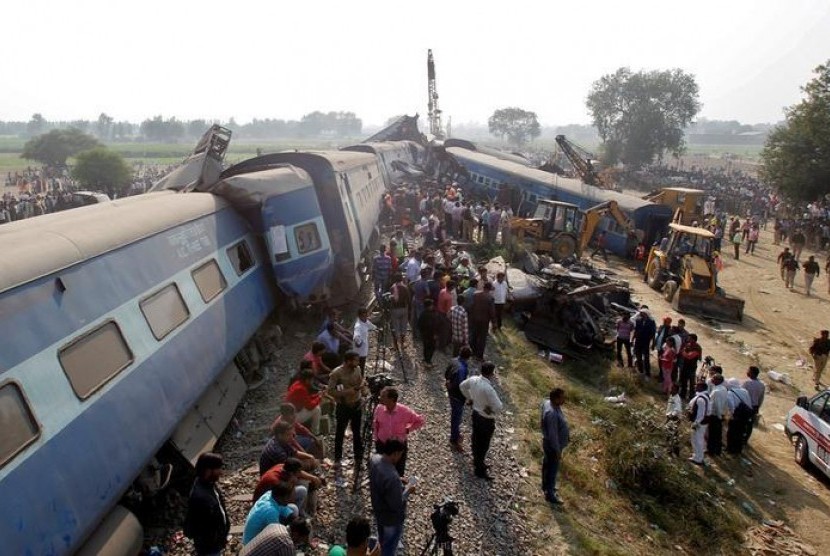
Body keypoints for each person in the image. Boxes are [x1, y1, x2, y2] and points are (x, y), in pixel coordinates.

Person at [327, 351, 369, 486]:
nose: (357, 363)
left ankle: (358, 459)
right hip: (343, 406)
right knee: (340, 433)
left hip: (356, 405)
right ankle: (338, 459)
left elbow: (360, 381)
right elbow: (330, 391)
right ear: (348, 361)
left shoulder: (357, 369)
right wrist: (347, 392)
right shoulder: (336, 373)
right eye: (355, 360)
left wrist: (364, 392)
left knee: (357, 433)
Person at [369, 440, 414, 556]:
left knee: (381, 540)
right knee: (389, 547)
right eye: (400, 455)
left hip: (378, 511)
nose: (400, 458)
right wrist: (408, 490)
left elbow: (382, 482)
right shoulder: (392, 477)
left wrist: (399, 479)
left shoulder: (375, 459)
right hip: (391, 519)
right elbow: (397, 504)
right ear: (395, 453)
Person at [460, 362, 503, 480]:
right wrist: (491, 410)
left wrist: (470, 398)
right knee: (483, 445)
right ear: (491, 373)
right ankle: (479, 469)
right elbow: (499, 407)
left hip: (476, 414)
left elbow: (462, 386)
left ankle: (477, 462)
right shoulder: (488, 388)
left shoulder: (473, 379)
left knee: (475, 439)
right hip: (486, 419)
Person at [184, 452, 231, 556]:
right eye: (218, 469)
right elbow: (201, 529)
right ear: (208, 470)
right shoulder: (200, 497)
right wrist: (217, 539)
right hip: (210, 548)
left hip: (215, 544)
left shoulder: (207, 484)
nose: (221, 472)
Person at [373, 386, 425, 477]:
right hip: (382, 444)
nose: (379, 398)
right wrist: (376, 438)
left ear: (391, 399)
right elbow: (376, 424)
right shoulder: (379, 408)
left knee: (398, 471)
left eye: (383, 396)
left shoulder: (404, 411)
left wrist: (408, 429)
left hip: (398, 447)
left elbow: (420, 420)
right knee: (381, 470)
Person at [541, 388, 569, 505]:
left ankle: (545, 486)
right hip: (553, 446)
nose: (564, 399)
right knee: (553, 468)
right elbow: (553, 435)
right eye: (562, 397)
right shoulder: (552, 413)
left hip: (548, 442)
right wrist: (557, 450)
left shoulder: (547, 402)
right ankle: (550, 494)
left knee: (547, 465)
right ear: (556, 398)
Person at [445, 347, 472, 452]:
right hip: (458, 397)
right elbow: (461, 386)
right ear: (468, 357)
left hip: (451, 394)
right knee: (456, 418)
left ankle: (455, 434)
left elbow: (446, 373)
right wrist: (469, 397)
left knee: (455, 416)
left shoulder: (454, 360)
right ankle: (454, 440)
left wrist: (448, 383)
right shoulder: (462, 369)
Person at [285, 368, 323, 434]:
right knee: (317, 409)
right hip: (292, 418)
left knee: (315, 405)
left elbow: (306, 399)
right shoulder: (301, 389)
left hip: (292, 412)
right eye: (311, 380)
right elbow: (310, 406)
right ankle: (315, 432)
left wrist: (317, 395)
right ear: (307, 380)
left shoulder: (298, 383)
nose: (312, 381)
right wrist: (319, 397)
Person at [725, 379, 754, 455]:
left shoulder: (730, 393)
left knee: (732, 433)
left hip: (736, 416)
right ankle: (738, 449)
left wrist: (732, 415)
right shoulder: (745, 391)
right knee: (740, 432)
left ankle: (731, 449)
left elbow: (731, 405)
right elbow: (749, 403)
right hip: (745, 415)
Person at [468, 282, 496, 359]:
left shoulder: (475, 294)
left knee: (473, 335)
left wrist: (470, 317)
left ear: (483, 287)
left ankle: (473, 351)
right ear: (490, 289)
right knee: (482, 338)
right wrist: (494, 323)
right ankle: (479, 356)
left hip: (474, 319)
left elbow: (471, 306)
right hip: (484, 321)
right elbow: (492, 312)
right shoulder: (490, 298)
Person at [687, 382, 710, 465]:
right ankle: (696, 455)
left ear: (701, 387)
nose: (695, 386)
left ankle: (698, 458)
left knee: (698, 440)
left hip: (699, 423)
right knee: (696, 439)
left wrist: (696, 423)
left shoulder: (701, 399)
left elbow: (701, 413)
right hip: (700, 422)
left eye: (697, 386)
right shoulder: (703, 396)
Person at [742, 366, 765, 442]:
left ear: (752, 373)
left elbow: (741, 394)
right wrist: (757, 407)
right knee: (749, 424)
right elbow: (761, 398)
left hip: (745, 406)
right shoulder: (761, 385)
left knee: (742, 423)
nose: (747, 372)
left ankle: (740, 438)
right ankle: (745, 439)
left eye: (748, 371)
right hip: (754, 407)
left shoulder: (746, 383)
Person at [388, 274, 411, 350]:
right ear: (401, 279)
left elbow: (391, 299)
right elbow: (408, 299)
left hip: (394, 309)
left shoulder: (392, 288)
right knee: (403, 327)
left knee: (395, 327)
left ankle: (395, 345)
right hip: (404, 308)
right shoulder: (405, 287)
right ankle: (402, 343)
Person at [707, 374, 727, 457]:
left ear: (719, 381)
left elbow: (717, 405)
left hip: (715, 415)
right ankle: (717, 450)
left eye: (714, 379)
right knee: (718, 434)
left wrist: (719, 416)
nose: (712, 380)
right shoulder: (723, 389)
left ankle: (711, 451)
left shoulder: (716, 391)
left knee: (712, 434)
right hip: (720, 414)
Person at [353, 308, 378, 373]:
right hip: (359, 351)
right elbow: (356, 337)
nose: (365, 317)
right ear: (360, 316)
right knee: (359, 367)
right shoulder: (358, 326)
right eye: (363, 316)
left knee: (362, 366)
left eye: (366, 315)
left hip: (364, 349)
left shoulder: (365, 321)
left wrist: (377, 329)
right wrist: (359, 343)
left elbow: (372, 327)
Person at [416, 299, 439, 368]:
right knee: (431, 348)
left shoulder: (423, 314)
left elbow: (419, 325)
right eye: (431, 305)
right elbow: (433, 325)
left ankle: (426, 360)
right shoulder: (431, 315)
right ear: (428, 306)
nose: (432, 306)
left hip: (425, 334)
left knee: (426, 347)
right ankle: (428, 361)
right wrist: (435, 333)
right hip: (430, 335)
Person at [633, 310, 656, 378]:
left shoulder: (651, 322)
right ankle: (641, 371)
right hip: (638, 341)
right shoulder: (638, 320)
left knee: (646, 358)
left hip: (646, 342)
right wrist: (633, 339)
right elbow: (636, 331)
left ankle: (648, 374)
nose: (640, 314)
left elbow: (653, 333)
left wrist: (653, 343)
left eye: (642, 313)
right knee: (638, 357)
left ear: (645, 314)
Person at [679, 334, 702, 400]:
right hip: (685, 366)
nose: (688, 339)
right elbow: (683, 353)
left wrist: (684, 352)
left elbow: (689, 356)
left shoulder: (697, 347)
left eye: (689, 338)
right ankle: (683, 394)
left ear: (693, 339)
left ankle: (691, 396)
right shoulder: (688, 345)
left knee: (691, 383)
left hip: (692, 367)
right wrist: (684, 353)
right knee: (684, 381)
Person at [665, 384, 683, 457]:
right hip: (670, 417)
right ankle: (668, 448)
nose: (671, 389)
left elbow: (677, 409)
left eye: (673, 389)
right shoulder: (672, 396)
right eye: (671, 388)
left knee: (673, 435)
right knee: (669, 433)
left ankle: (675, 451)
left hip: (674, 418)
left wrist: (671, 415)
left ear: (677, 390)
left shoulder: (677, 398)